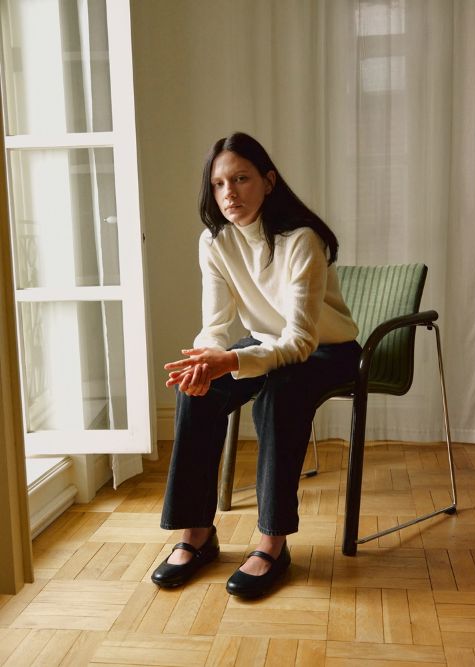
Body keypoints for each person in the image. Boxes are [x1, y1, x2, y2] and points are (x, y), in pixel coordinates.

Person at [151, 132, 361, 599]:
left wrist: (231, 359)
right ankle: (196, 533)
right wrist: (205, 362)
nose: (229, 193)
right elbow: (214, 326)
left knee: (279, 394)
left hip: (327, 350)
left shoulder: (301, 239)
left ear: (268, 181)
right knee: (196, 389)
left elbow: (300, 341)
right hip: (264, 343)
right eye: (219, 183)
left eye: (241, 179)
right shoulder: (215, 242)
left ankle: (272, 542)